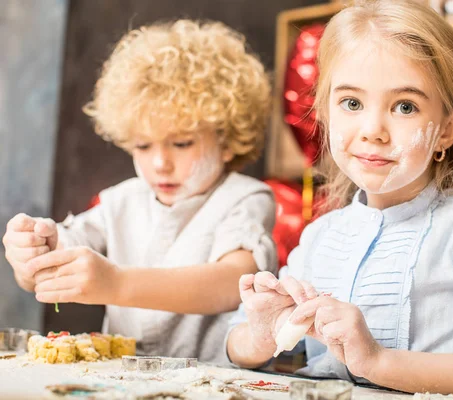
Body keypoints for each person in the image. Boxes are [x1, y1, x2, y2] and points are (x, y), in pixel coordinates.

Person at [225, 1, 453, 398]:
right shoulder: (321, 235)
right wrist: (261, 335)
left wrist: (378, 361)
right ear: (324, 113)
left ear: (446, 131)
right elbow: (238, 346)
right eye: (352, 103)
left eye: (405, 106)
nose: (373, 130)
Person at [3, 19, 276, 365]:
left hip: (212, 385)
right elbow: (63, 249)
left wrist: (115, 283)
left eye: (181, 142)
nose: (160, 163)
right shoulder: (121, 200)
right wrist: (34, 253)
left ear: (226, 140)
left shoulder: (246, 198)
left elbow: (233, 280)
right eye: (143, 145)